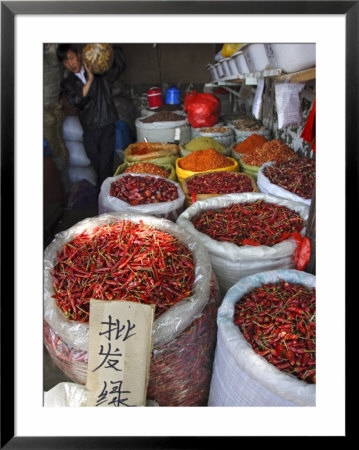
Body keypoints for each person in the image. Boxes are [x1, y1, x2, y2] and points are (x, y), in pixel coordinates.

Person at [56, 43, 126, 189]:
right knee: (95, 161)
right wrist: (89, 80)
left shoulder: (101, 73)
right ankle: (107, 192)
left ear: (79, 55)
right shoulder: (68, 83)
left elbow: (119, 66)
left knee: (105, 164)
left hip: (106, 123)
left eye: (71, 58)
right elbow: (77, 101)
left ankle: (102, 197)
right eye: (65, 61)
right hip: (89, 129)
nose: (70, 63)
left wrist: (113, 47)